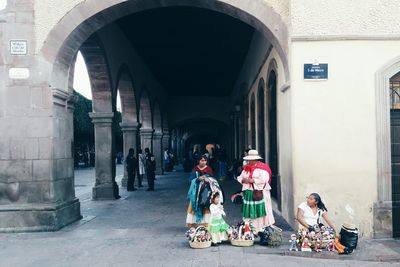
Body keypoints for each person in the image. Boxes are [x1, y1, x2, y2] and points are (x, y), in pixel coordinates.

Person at [237, 149, 275, 232]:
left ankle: (261, 228)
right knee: (248, 211)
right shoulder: (246, 168)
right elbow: (239, 177)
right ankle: (249, 228)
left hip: (259, 192)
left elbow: (265, 179)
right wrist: (243, 180)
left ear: (255, 159)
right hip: (248, 193)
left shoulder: (263, 168)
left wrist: (253, 180)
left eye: (250, 160)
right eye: (248, 160)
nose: (249, 161)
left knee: (260, 210)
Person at [186, 155, 214, 227]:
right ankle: (193, 222)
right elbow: (191, 179)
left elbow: (212, 179)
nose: (203, 162)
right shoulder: (195, 169)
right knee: (194, 205)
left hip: (206, 190)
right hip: (196, 191)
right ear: (198, 161)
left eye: (205, 161)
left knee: (206, 206)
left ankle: (206, 222)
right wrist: (198, 179)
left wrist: (207, 178)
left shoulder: (208, 169)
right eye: (202, 160)